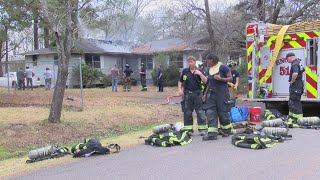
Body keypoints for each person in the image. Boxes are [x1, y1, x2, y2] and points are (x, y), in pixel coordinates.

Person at [202, 54, 233, 141]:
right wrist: (205, 94)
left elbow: (230, 79)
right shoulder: (209, 69)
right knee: (210, 112)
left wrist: (221, 79)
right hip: (211, 93)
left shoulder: (223, 67)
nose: (207, 62)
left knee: (222, 112)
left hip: (222, 93)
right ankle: (212, 134)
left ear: (213, 60)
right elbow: (209, 82)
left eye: (208, 60)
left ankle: (226, 130)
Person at [178, 56, 208, 136]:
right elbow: (180, 81)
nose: (190, 63)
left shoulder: (199, 71)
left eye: (191, 62)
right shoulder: (185, 71)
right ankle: (188, 130)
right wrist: (180, 89)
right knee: (187, 112)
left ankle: (202, 129)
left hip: (198, 94)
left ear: (195, 62)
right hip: (187, 94)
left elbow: (206, 81)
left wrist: (200, 74)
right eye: (188, 62)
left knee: (200, 112)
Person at [286, 53, 304, 128]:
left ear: (291, 57)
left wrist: (292, 81)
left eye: (287, 59)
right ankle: (292, 118)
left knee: (295, 103)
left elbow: (295, 74)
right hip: (298, 86)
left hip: (296, 86)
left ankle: (298, 120)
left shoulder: (295, 64)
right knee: (292, 102)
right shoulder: (298, 63)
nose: (287, 60)